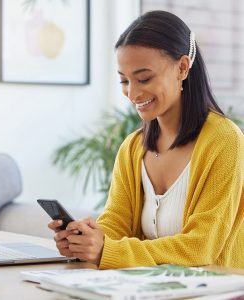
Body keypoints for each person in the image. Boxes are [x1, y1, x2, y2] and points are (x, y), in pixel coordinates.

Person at [48, 10, 244, 269]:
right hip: (149, 288)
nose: (133, 93)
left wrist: (107, 249)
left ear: (182, 68)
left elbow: (201, 246)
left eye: (144, 78)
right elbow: (117, 222)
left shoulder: (225, 140)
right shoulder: (133, 147)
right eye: (124, 81)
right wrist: (87, 240)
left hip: (215, 290)